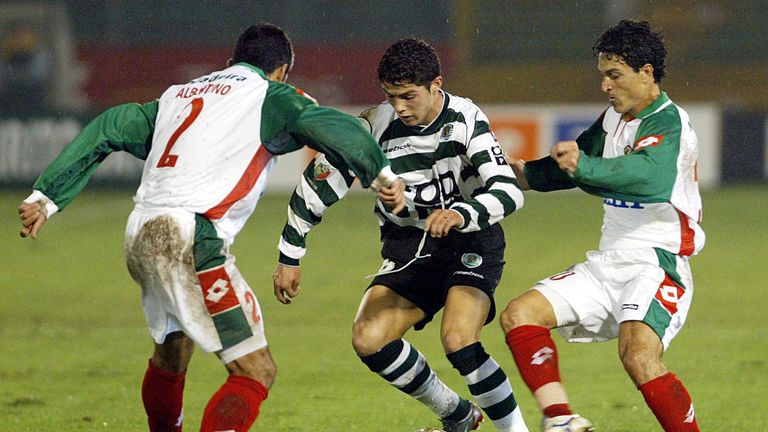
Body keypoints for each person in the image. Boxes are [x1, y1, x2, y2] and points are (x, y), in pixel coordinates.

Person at [18, 23, 404, 432]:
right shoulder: (269, 96)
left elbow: (110, 126)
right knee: (255, 371)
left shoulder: (178, 95)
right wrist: (380, 174)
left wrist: (47, 195)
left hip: (140, 230)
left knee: (172, 350)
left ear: (231, 62)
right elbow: (331, 125)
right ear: (283, 71)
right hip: (190, 237)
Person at [273, 37, 529, 432]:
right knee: (368, 338)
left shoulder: (464, 119)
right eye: (391, 97)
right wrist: (290, 255)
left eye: (408, 96)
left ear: (436, 84)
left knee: (459, 339)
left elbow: (508, 191)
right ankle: (457, 415)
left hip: (470, 242)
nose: (400, 108)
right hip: (411, 248)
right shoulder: (374, 126)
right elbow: (317, 184)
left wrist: (460, 213)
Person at [500, 20, 704, 432]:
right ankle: (561, 421)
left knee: (638, 354)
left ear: (646, 73)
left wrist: (584, 166)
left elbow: (649, 177)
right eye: (603, 76)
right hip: (607, 262)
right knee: (521, 314)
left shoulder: (669, 122)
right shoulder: (613, 119)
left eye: (615, 75)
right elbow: (573, 168)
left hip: (657, 263)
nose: (606, 86)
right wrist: (524, 174)